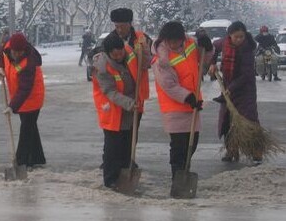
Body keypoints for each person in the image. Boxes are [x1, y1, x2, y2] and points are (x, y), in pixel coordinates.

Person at [152, 21, 214, 179]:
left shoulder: (191, 44)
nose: (173, 43)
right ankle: (178, 176)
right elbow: (168, 85)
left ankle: (184, 172)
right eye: (170, 40)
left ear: (182, 37)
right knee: (179, 146)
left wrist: (207, 48)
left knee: (192, 144)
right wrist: (187, 97)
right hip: (175, 106)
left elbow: (204, 62)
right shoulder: (161, 58)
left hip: (193, 104)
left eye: (176, 40)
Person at [92, 33, 150, 188]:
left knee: (128, 142)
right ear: (108, 53)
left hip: (132, 105)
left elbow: (145, 64)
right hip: (112, 108)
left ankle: (125, 173)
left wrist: (144, 49)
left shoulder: (130, 54)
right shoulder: (102, 67)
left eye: (120, 53)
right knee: (113, 146)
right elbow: (109, 91)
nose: (118, 56)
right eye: (114, 54)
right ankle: (110, 179)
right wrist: (129, 103)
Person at [208, 21, 262, 163]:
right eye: (236, 36)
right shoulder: (223, 43)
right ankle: (231, 150)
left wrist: (230, 89)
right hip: (228, 86)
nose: (239, 39)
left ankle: (256, 152)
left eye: (241, 36)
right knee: (228, 120)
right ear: (229, 35)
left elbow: (246, 74)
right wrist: (213, 63)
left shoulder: (247, 49)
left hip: (245, 90)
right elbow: (213, 47)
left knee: (248, 120)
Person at [0, 32, 46, 168]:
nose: (16, 55)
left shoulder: (28, 63)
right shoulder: (7, 48)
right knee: (30, 128)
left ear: (24, 49)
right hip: (19, 97)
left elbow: (25, 89)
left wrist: (12, 106)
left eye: (19, 52)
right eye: (14, 52)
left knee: (26, 129)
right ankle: (37, 158)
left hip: (32, 98)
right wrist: (0, 66)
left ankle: (21, 162)